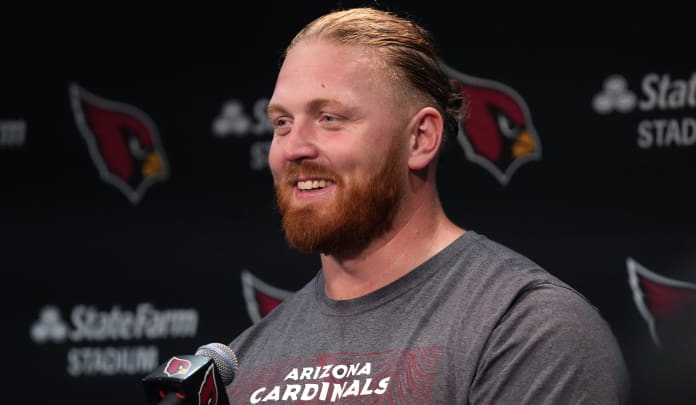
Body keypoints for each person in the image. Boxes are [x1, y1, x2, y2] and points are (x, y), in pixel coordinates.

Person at [227, 7, 630, 404]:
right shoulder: (241, 360)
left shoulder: (530, 330)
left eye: (329, 118)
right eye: (282, 122)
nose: (293, 148)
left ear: (420, 138)